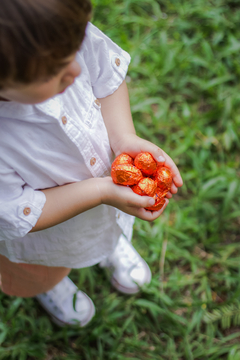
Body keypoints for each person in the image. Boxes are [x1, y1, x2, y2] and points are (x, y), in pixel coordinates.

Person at [0, 0, 183, 327]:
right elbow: (18, 209)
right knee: (42, 267)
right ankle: (52, 285)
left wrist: (124, 138)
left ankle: (107, 247)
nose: (76, 70)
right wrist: (100, 191)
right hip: (45, 231)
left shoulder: (57, 38)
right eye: (55, 72)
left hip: (105, 202)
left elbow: (107, 81)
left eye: (75, 50)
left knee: (103, 226)